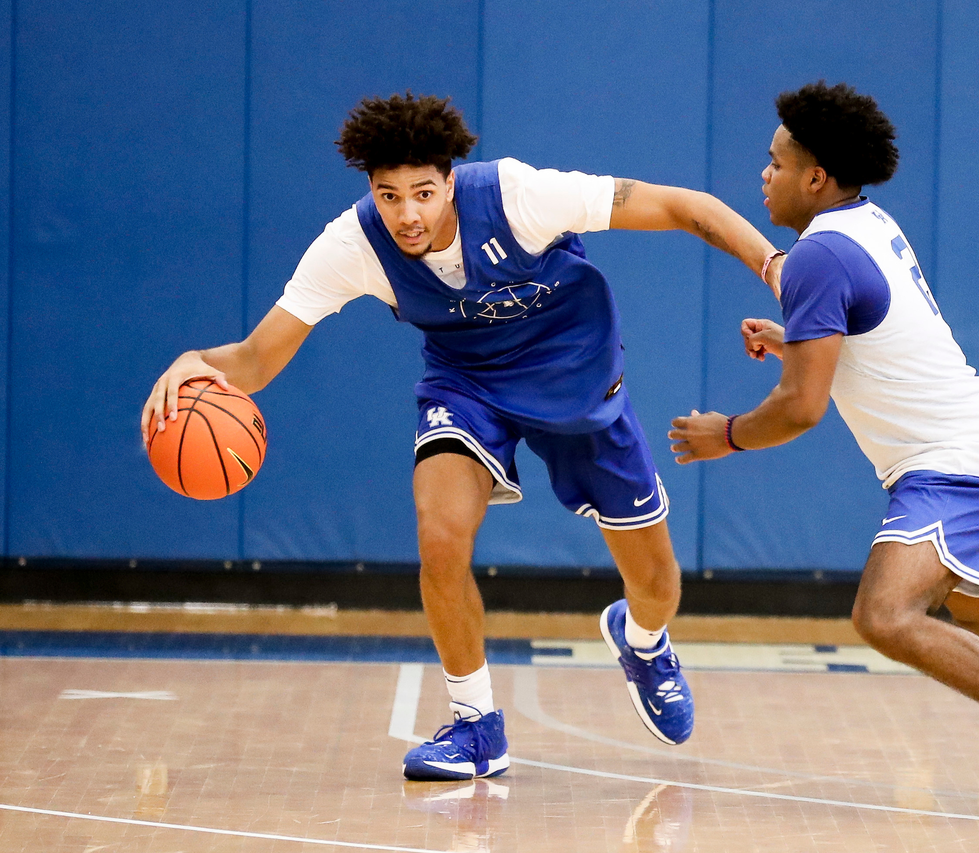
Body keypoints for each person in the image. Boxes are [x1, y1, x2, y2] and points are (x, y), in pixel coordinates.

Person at [141, 92, 783, 781]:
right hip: (467, 386)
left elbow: (688, 208)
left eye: (423, 192)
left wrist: (779, 268)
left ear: (451, 180)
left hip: (575, 379)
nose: (407, 213)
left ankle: (644, 639)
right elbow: (259, 358)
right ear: (371, 192)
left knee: (656, 583)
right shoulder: (353, 245)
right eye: (389, 196)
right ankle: (477, 724)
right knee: (439, 531)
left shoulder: (520, 196)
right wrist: (197, 362)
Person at [668, 81, 979, 820]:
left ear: (816, 177)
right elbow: (864, 332)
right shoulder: (862, 224)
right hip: (976, 442)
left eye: (776, 162)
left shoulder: (817, 258)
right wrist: (793, 338)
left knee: (884, 614)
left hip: (950, 458)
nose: (763, 175)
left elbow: (801, 407)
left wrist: (727, 435)